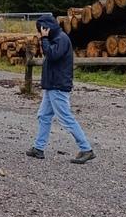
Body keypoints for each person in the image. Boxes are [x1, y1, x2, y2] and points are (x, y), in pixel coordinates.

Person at [27, 14, 94, 163]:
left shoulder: (61, 39)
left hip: (57, 86)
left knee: (66, 118)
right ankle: (39, 148)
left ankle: (86, 148)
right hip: (52, 85)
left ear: (46, 28)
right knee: (44, 115)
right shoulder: (56, 38)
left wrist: (44, 39)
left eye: (40, 30)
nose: (39, 33)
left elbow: (51, 55)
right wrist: (44, 40)